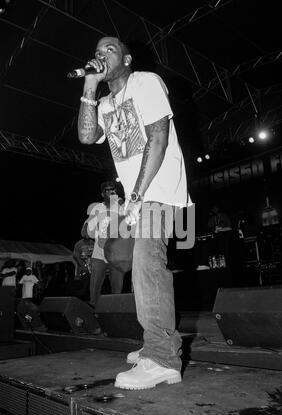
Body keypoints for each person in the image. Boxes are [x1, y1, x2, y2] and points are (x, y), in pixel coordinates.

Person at [78, 36, 188, 390]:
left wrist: (136, 196)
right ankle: (155, 344)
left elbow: (158, 139)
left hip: (159, 191)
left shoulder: (146, 82)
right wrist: (90, 87)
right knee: (144, 268)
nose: (100, 54)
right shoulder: (107, 104)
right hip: (140, 198)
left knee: (146, 266)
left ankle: (163, 359)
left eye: (108, 49)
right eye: (96, 51)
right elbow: (85, 134)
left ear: (126, 58)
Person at [86, 180, 125, 308]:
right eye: (107, 190)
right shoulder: (97, 208)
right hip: (99, 254)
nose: (111, 191)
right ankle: (94, 311)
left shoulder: (121, 207)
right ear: (102, 193)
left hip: (116, 255)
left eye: (112, 189)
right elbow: (90, 231)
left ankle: (115, 312)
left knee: (116, 287)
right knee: (95, 286)